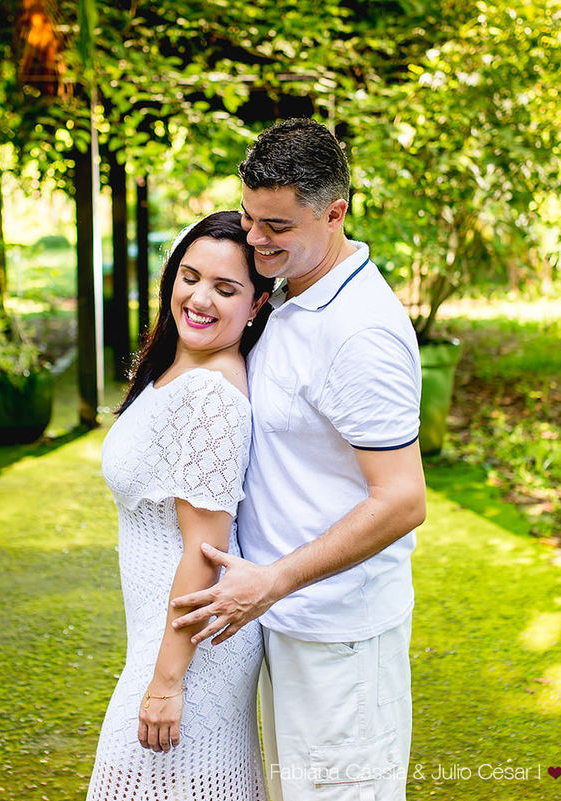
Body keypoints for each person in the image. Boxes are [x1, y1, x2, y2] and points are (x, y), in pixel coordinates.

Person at [171, 119, 428, 800]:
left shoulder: (362, 332)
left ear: (335, 211)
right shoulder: (289, 292)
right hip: (282, 621)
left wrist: (275, 579)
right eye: (251, 219)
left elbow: (403, 499)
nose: (255, 239)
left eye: (275, 226)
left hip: (339, 637)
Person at [87, 211, 272, 801]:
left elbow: (207, 551)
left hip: (191, 643)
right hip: (164, 631)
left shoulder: (213, 396)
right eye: (189, 277)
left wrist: (167, 681)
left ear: (258, 303)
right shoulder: (179, 364)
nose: (199, 298)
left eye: (226, 289)